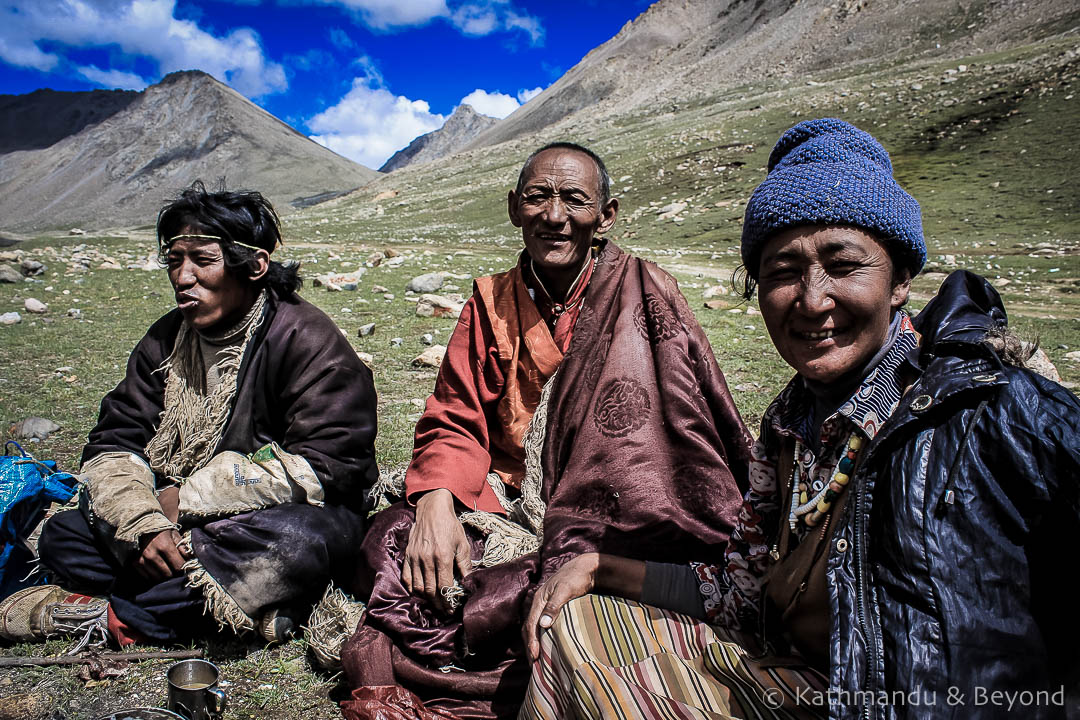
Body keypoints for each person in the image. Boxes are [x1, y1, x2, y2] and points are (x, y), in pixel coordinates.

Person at [518, 119, 1080, 719]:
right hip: (812, 675)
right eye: (783, 272)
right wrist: (598, 565)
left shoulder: (993, 411)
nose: (813, 301)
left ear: (900, 282)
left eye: (843, 266)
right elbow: (746, 594)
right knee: (574, 624)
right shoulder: (791, 424)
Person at [340, 143, 753, 719]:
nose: (554, 216)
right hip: (506, 503)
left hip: (614, 512)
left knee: (536, 589)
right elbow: (456, 412)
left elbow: (687, 413)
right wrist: (436, 503)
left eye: (574, 200)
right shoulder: (490, 303)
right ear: (514, 208)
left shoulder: (646, 291)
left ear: (605, 215)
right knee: (392, 540)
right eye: (537, 197)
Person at [0, 182, 378, 648]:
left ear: (254, 265)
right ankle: (244, 605)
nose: (182, 277)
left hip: (268, 519)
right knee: (65, 533)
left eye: (202, 259)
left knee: (303, 542)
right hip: (172, 523)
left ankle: (110, 615)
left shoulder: (306, 339)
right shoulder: (165, 339)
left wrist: (192, 497)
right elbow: (114, 442)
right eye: (174, 260)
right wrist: (142, 523)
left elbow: (331, 464)